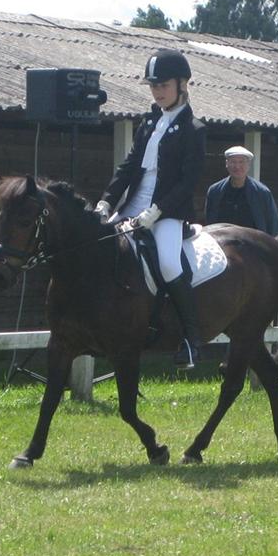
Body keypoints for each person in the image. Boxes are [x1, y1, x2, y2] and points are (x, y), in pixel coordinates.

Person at [93, 49, 207, 369]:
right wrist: (106, 201)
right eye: (154, 86)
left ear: (182, 84)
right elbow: (129, 168)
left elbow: (187, 182)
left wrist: (157, 211)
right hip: (133, 204)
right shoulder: (149, 122)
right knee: (98, 246)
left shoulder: (194, 129)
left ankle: (191, 340)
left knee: (170, 264)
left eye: (163, 85)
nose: (157, 92)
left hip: (169, 212)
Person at [204, 145, 278, 236]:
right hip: (223, 244)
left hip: (254, 245)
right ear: (227, 164)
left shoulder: (262, 193)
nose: (237, 166)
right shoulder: (215, 191)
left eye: (241, 162)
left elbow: (273, 225)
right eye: (233, 162)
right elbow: (209, 223)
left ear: (248, 165)